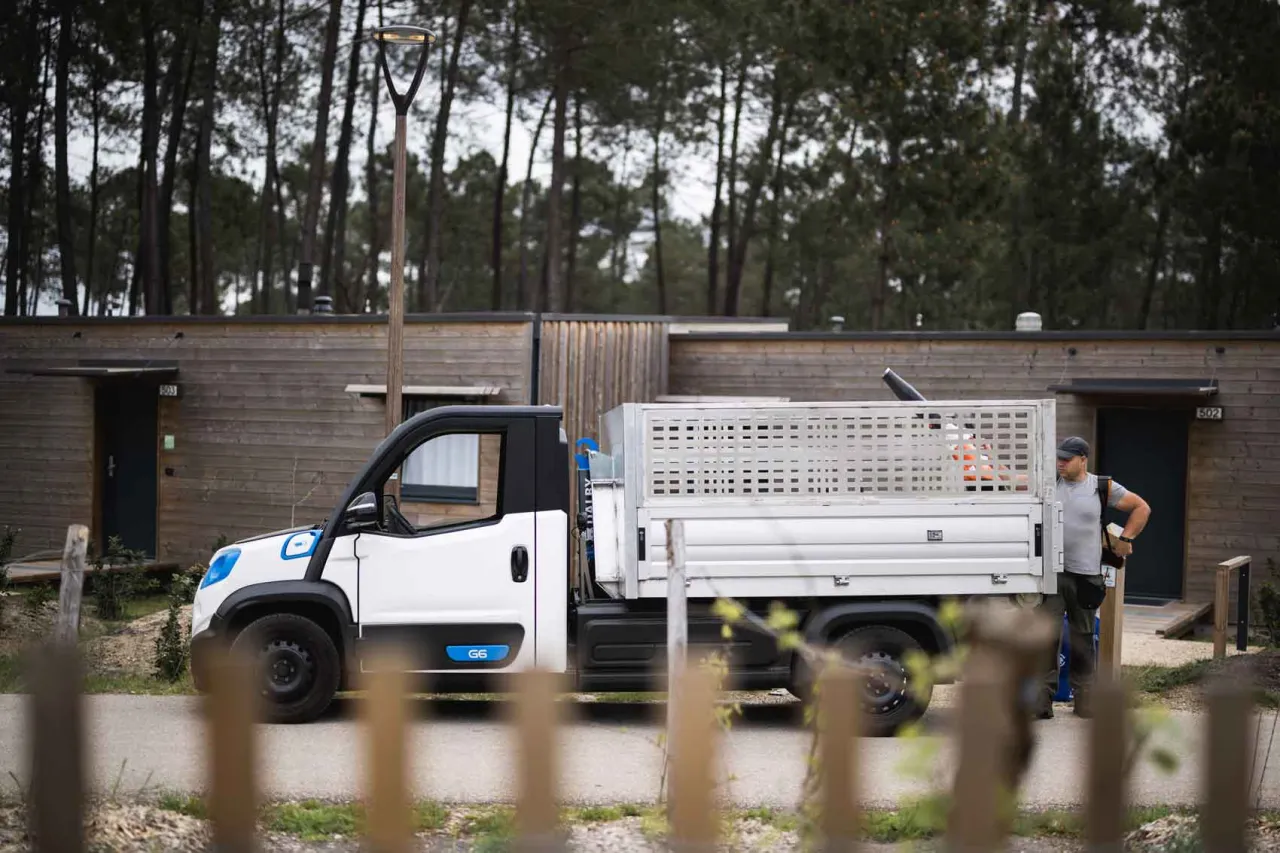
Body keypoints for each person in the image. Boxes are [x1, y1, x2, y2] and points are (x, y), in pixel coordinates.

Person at [1036, 435, 1151, 719]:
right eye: (1059, 458)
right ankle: (1041, 702)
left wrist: (1126, 537)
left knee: (1083, 640)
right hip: (1052, 575)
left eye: (1067, 459)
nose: (1061, 463)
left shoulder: (1102, 487)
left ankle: (1085, 701)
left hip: (1087, 576)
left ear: (1083, 459)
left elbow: (1141, 508)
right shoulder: (1050, 481)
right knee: (1045, 639)